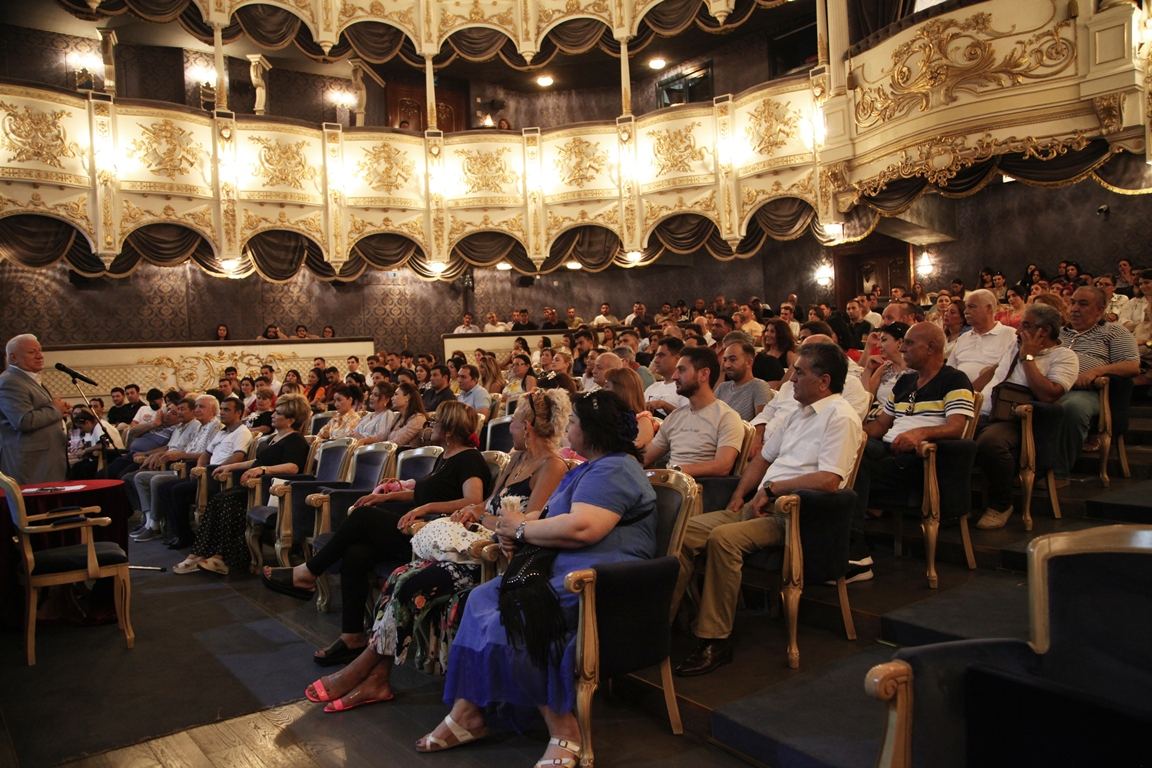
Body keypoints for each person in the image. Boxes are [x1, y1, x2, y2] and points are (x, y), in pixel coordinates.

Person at [415, 390, 656, 766]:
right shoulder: (594, 467)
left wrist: (522, 531)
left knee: (516, 611)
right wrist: (517, 529)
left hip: (602, 579)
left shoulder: (616, 469)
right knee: (480, 600)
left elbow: (583, 529)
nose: (568, 428)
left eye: (574, 423)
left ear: (592, 431)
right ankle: (468, 711)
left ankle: (564, 729)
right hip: (564, 568)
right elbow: (552, 520)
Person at [300, 390, 571, 712]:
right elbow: (486, 504)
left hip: (495, 555)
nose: (509, 428)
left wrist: (480, 513)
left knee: (412, 582)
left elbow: (527, 524)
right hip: (470, 542)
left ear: (527, 427)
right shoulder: (517, 459)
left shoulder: (552, 466)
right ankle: (378, 678)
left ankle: (363, 669)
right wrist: (476, 511)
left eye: (513, 422)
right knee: (400, 575)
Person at [672, 343, 864, 675]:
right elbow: (762, 458)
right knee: (681, 532)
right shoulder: (795, 414)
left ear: (824, 380)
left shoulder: (840, 417)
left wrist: (774, 490)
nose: (790, 378)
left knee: (724, 539)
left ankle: (714, 639)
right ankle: (669, 616)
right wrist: (741, 493)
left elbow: (831, 480)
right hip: (761, 503)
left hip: (797, 515)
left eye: (799, 372)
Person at [261, 401, 492, 665]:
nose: (430, 426)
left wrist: (427, 506)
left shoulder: (469, 458)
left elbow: (472, 501)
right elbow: (422, 493)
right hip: (416, 525)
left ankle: (308, 572)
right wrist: (384, 498)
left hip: (431, 535)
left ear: (449, 431)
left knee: (361, 518)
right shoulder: (445, 457)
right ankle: (352, 636)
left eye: (435, 422)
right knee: (356, 552)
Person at [172, 395, 312, 575]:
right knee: (218, 499)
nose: (273, 415)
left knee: (229, 501)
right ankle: (201, 554)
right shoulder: (273, 438)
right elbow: (255, 461)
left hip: (272, 491)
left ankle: (225, 558)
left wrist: (263, 469)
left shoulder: (296, 440)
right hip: (257, 487)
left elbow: (292, 467)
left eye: (278, 413)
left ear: (291, 419)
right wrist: (229, 466)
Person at [973, 304, 1079, 529]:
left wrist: (1028, 357)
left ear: (1046, 330)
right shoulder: (1014, 346)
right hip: (987, 409)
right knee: (945, 435)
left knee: (991, 442)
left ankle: (1001, 504)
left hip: (1019, 419)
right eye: (1021, 324)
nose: (1020, 330)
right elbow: (995, 377)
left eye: (1027, 326)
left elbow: (1048, 395)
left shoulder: (1065, 356)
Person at [1056, 286, 1139, 474]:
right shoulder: (1059, 333)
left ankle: (1058, 471)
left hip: (1087, 392)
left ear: (1100, 309)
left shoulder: (1114, 332)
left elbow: (1131, 365)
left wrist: (1096, 371)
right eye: (1073, 303)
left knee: (1072, 408)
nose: (1075, 308)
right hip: (1048, 387)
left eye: (1083, 304)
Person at [643, 347, 743, 478]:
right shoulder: (675, 417)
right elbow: (645, 457)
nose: (674, 376)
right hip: (668, 486)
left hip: (700, 491)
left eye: (681, 370)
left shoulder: (727, 417)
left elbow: (722, 466)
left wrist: (675, 472)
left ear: (703, 374)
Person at [0, 334, 69, 484]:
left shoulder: (29, 379)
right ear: (13, 357)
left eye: (40, 351)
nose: (40, 356)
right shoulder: (10, 382)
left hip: (46, 461)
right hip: (32, 465)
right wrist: (55, 409)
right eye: (32, 352)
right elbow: (23, 420)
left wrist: (58, 411)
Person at [602, 367, 658, 450]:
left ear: (621, 391)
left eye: (606, 386)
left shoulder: (643, 421)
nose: (602, 391)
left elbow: (635, 454)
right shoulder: (607, 417)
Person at [383, 382, 428, 447]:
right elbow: (383, 435)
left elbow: (398, 442)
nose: (392, 398)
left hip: (405, 455)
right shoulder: (398, 416)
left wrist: (379, 447)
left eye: (396, 394)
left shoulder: (418, 418)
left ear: (407, 397)